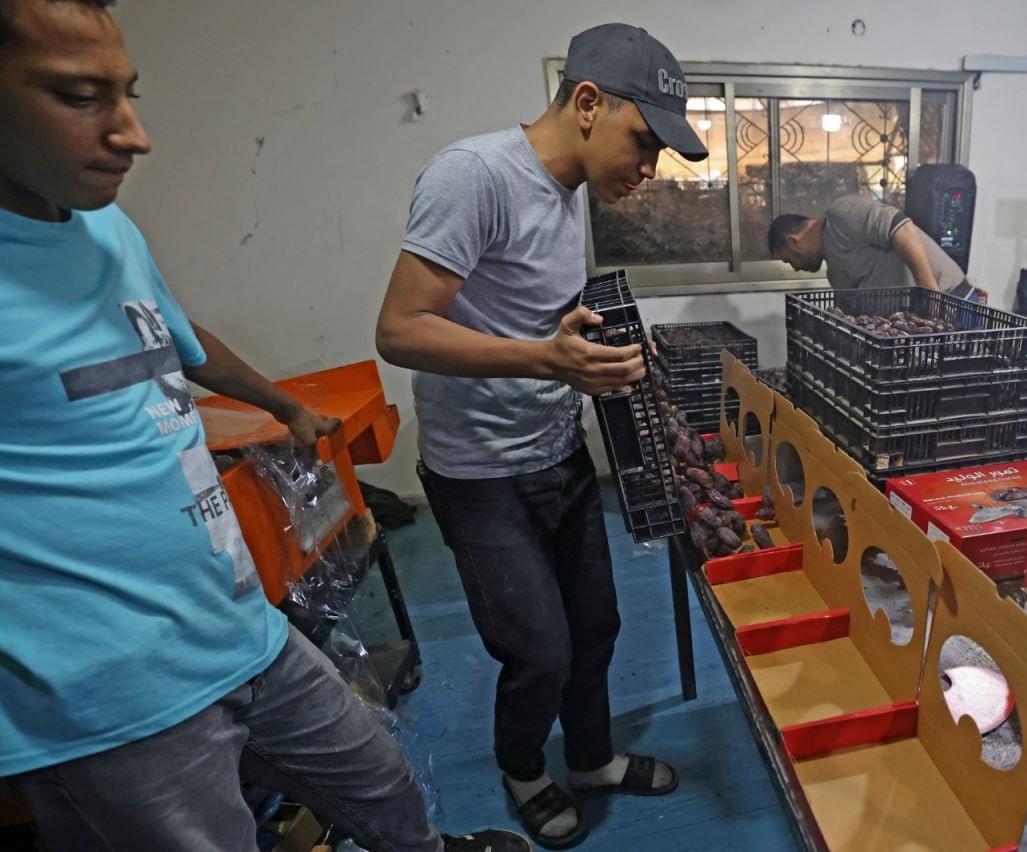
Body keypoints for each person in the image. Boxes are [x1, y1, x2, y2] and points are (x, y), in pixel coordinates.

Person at [0, 2, 529, 850]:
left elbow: (174, 336)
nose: (134, 135)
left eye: (127, 94)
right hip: (111, 698)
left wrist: (282, 406)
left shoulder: (104, 227)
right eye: (78, 97)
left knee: (381, 784)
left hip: (234, 624)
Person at [375, 22, 706, 851]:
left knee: (596, 626)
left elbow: (532, 316)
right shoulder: (473, 175)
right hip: (479, 474)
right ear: (588, 102)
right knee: (540, 651)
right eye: (645, 141)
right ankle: (523, 770)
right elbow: (400, 329)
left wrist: (599, 347)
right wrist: (545, 359)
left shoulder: (565, 194)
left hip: (557, 454)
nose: (649, 167)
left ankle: (590, 760)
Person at [769, 192, 976, 296]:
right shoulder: (835, 274)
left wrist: (931, 294)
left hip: (952, 301)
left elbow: (903, 229)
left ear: (793, 241)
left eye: (788, 260)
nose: (795, 267)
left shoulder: (841, 215)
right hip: (917, 329)